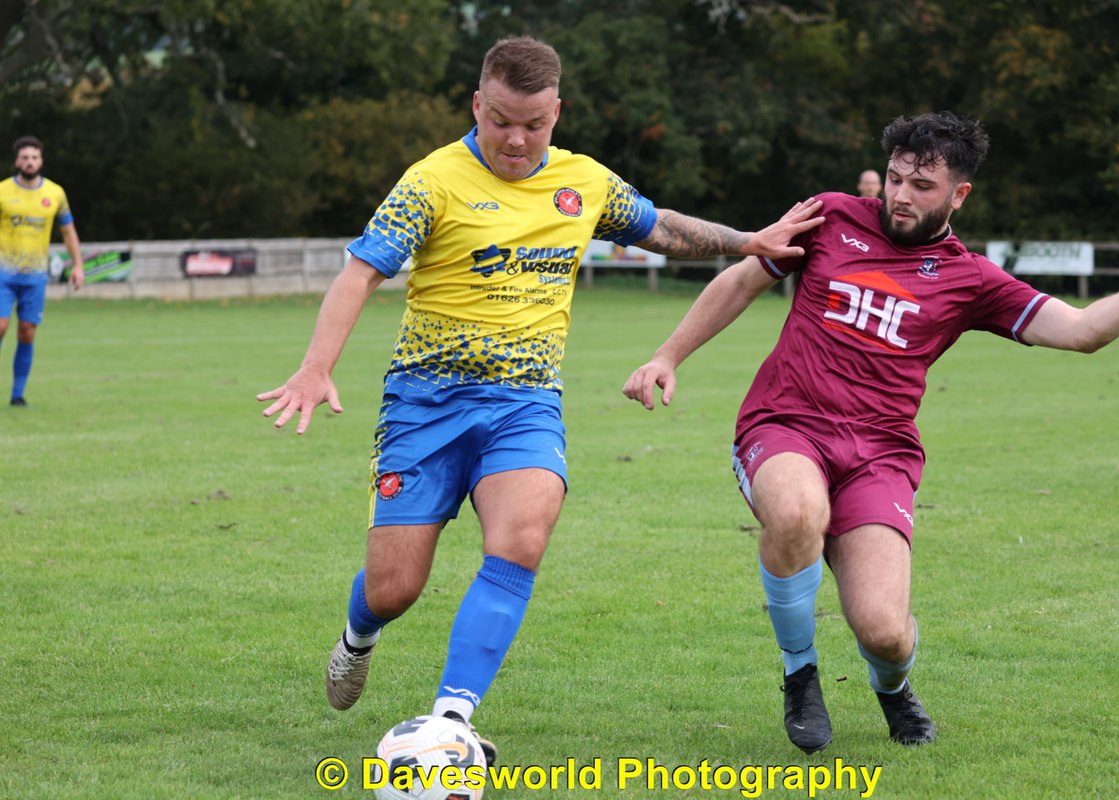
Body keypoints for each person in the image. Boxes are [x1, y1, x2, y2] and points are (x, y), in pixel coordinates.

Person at [256, 36, 823, 761]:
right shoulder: (433, 180)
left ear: (558, 112)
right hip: (424, 407)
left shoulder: (582, 182)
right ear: (476, 106)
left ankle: (452, 719)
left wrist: (748, 241)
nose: (517, 139)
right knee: (395, 587)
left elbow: (663, 231)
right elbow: (360, 274)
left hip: (524, 405)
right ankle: (358, 635)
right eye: (500, 121)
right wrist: (315, 367)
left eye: (534, 124)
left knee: (522, 538)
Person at [623, 111, 1119, 752]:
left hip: (879, 454)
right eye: (895, 178)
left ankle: (893, 687)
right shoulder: (830, 216)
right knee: (795, 513)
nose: (899, 195)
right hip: (786, 422)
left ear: (959, 195)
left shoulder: (971, 279)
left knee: (884, 632)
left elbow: (1083, 331)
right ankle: (800, 675)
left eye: (921, 186)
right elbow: (740, 280)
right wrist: (667, 355)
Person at [0, 136, 85, 406]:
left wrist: (78, 265)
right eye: (24, 157)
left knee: (27, 331)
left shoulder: (55, 193)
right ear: (17, 161)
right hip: (3, 273)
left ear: (42, 160)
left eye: (34, 157)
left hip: (35, 275)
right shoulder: (2, 191)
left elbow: (68, 231)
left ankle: (17, 394)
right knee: (0, 326)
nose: (29, 162)